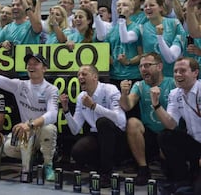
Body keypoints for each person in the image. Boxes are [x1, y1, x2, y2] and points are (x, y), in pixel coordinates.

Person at [0, 44, 58, 181]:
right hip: (26, 132)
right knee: (8, 148)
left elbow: (52, 115)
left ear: (45, 68)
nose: (31, 66)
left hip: (38, 130)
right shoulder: (19, 85)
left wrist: (30, 125)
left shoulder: (51, 89)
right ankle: (32, 157)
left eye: (36, 63)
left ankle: (48, 164)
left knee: (49, 128)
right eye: (29, 63)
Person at [59, 64, 127, 188]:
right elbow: (75, 130)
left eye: (84, 74)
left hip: (117, 138)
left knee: (103, 122)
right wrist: (66, 111)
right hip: (97, 136)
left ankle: (106, 173)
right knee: (77, 151)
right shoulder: (81, 97)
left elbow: (121, 120)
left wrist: (94, 106)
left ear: (95, 77)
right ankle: (100, 168)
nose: (80, 77)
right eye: (78, 75)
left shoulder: (110, 89)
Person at [119, 52, 175, 185]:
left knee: (170, 171)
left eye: (148, 65)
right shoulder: (139, 85)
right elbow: (127, 106)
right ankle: (143, 168)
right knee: (132, 122)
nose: (143, 69)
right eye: (141, 66)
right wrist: (124, 93)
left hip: (169, 133)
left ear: (160, 67)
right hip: (149, 135)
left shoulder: (172, 83)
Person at [151, 57, 201, 194]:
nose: (178, 74)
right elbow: (171, 124)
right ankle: (182, 179)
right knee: (165, 136)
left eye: (183, 71)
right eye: (175, 71)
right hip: (194, 144)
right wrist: (156, 104)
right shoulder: (175, 93)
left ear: (195, 73)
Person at [142, 0, 186, 77]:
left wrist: (159, 36)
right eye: (145, 6)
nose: (148, 8)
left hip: (174, 75)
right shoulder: (142, 27)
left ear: (161, 7)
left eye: (152, 5)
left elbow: (170, 58)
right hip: (152, 77)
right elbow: (125, 39)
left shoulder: (174, 23)